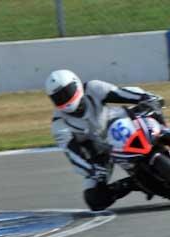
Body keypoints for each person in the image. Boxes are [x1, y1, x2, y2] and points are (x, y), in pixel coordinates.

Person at [45, 69, 165, 211]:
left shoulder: (93, 87)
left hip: (121, 124)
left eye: (67, 93)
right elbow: (73, 154)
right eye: (59, 97)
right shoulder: (59, 124)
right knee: (94, 199)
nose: (65, 99)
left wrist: (146, 99)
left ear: (76, 85)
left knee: (154, 115)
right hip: (102, 153)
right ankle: (133, 183)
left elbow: (121, 93)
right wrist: (92, 168)